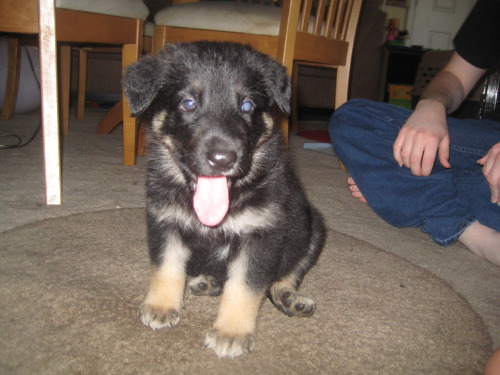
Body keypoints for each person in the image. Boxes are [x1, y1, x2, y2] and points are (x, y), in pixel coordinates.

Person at [328, 0, 500, 266]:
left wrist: (383, 184)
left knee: (403, 179)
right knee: (354, 119)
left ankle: (401, 191)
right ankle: (407, 193)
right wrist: (432, 105)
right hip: (490, 138)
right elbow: (455, 76)